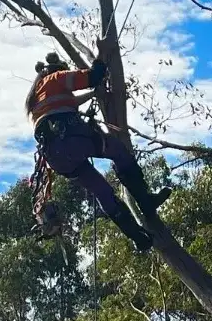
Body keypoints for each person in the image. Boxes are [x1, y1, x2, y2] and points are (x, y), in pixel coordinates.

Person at [25, 51, 169, 252]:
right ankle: (146, 202)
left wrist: (94, 94)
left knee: (101, 190)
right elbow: (91, 77)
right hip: (73, 139)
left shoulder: (35, 100)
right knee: (119, 152)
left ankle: (138, 237)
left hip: (56, 158)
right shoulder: (57, 78)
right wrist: (100, 63)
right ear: (58, 70)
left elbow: (70, 103)